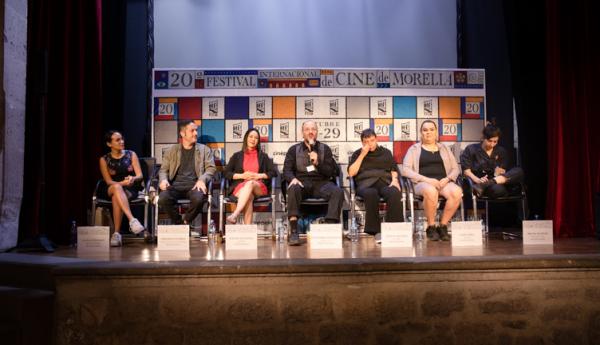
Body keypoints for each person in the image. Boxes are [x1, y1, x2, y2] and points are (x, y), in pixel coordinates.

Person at [283, 121, 344, 245]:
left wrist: (317, 163)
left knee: (337, 191)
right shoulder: (294, 150)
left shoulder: (325, 149)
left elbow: (330, 172)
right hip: (302, 183)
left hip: (321, 183)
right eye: (307, 129)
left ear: (316, 132)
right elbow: (287, 170)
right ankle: (294, 231)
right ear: (302, 133)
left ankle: (329, 228)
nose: (310, 132)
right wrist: (292, 179)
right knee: (293, 188)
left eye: (313, 129)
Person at [402, 120, 462, 241]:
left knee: (457, 192)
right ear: (421, 133)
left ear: (436, 132)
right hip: (422, 183)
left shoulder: (444, 148)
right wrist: (427, 180)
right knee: (431, 191)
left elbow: (456, 168)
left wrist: (447, 179)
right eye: (425, 130)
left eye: (431, 130)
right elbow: (405, 170)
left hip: (443, 183)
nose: (428, 132)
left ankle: (443, 226)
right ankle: (431, 226)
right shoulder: (414, 149)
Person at [348, 128, 403, 242]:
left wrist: (395, 180)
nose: (369, 144)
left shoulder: (386, 152)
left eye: (372, 141)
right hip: (365, 185)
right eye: (366, 142)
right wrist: (363, 154)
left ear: (376, 139)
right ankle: (376, 231)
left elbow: (393, 168)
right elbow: (351, 172)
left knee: (394, 193)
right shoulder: (358, 153)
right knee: (371, 193)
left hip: (384, 182)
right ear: (362, 142)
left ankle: (393, 229)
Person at [158, 120, 216, 226]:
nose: (196, 133)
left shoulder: (204, 150)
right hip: (174, 187)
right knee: (162, 198)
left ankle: (185, 221)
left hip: (194, 186)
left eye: (196, 130)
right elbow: (163, 170)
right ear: (182, 134)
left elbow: (211, 169)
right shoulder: (171, 150)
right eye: (192, 131)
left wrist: (202, 180)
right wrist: (164, 180)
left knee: (199, 199)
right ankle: (179, 223)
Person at [98, 130, 146, 247]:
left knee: (116, 196)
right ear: (109, 144)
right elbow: (108, 181)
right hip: (110, 188)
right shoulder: (104, 160)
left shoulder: (131, 154)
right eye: (117, 140)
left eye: (122, 139)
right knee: (116, 187)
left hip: (130, 189)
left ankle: (116, 234)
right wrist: (122, 183)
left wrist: (133, 179)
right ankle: (132, 220)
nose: (122, 142)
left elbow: (140, 175)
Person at [223, 128, 277, 224]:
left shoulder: (263, 156)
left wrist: (258, 175)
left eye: (256, 138)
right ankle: (247, 231)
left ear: (258, 141)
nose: (253, 139)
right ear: (246, 138)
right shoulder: (237, 156)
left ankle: (235, 214)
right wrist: (242, 175)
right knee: (249, 197)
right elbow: (226, 173)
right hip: (240, 188)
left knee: (250, 183)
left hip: (258, 187)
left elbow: (273, 172)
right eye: (251, 137)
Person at [460, 121, 525, 197]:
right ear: (483, 138)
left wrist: (499, 172)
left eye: (495, 141)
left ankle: (487, 184)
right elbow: (466, 171)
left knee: (519, 170)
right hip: (479, 182)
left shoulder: (501, 151)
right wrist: (477, 180)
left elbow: (503, 171)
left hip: (497, 180)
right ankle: (483, 185)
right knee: (499, 190)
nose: (492, 144)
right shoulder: (471, 149)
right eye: (489, 141)